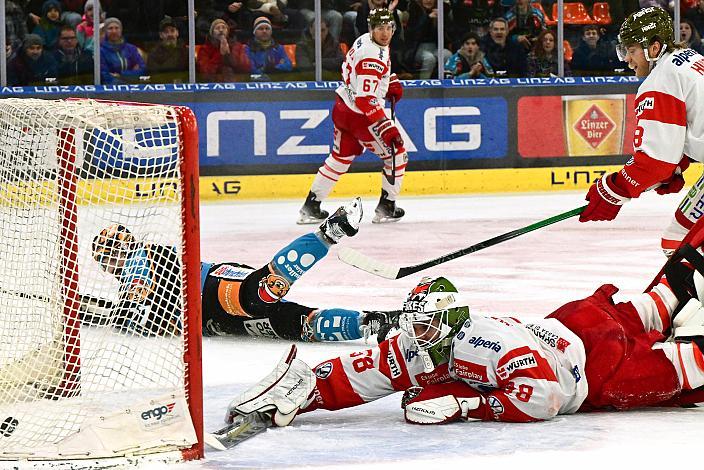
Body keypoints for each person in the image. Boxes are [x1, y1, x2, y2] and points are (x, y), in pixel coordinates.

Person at [224, 224, 704, 429]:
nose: (417, 336)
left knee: (689, 368)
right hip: (578, 319)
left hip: (598, 368)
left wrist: (467, 405)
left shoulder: (478, 345)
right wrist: (310, 386)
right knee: (667, 296)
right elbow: (369, 370)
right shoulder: (429, 341)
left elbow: (543, 394)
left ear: (451, 323)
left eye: (427, 326)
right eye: (415, 325)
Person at [89, 198, 397, 343]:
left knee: (258, 294)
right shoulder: (134, 269)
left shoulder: (141, 257)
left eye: (110, 253)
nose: (111, 260)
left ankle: (329, 232)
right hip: (216, 321)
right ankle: (370, 322)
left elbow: (138, 291)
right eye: (107, 256)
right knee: (295, 323)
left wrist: (118, 311)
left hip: (211, 285)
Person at [577, 7, 704, 257]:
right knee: (680, 240)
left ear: (654, 48)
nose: (626, 59)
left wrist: (613, 189)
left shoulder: (660, 81)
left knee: (680, 242)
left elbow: (654, 162)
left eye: (631, 50)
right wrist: (678, 164)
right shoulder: (689, 59)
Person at [298, 9, 408, 225]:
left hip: (343, 107)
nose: (385, 33)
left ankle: (311, 206)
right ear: (371, 28)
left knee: (339, 159)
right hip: (361, 117)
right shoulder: (372, 55)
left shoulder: (364, 40)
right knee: (396, 155)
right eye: (380, 28)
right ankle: (387, 207)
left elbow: (361, 76)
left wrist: (388, 81)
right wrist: (386, 127)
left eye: (388, 28)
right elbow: (366, 99)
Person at [99, 17, 147, 84]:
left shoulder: (131, 48)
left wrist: (121, 75)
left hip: (135, 89)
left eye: (117, 28)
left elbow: (142, 71)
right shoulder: (101, 51)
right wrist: (130, 76)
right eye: (110, 28)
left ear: (121, 30)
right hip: (112, 91)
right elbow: (106, 77)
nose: (114, 31)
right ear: (105, 31)